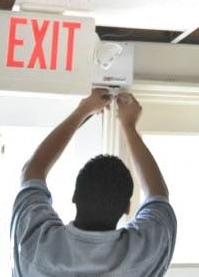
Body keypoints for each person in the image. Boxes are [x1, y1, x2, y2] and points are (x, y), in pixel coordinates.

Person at [11, 89, 177, 276]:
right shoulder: (146, 253)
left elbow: (32, 171)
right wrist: (128, 127)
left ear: (74, 195)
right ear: (127, 207)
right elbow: (158, 196)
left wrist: (84, 111)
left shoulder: (35, 246)